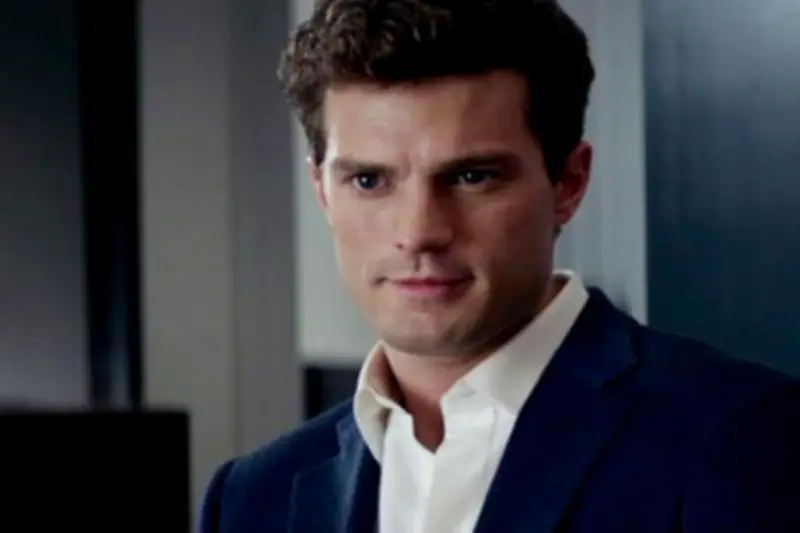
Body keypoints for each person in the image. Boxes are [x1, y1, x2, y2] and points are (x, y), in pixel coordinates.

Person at [199, 0, 800, 531]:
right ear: (323, 192)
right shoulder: (254, 499)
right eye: (369, 180)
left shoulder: (740, 440)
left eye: (471, 176)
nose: (419, 232)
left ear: (568, 183)